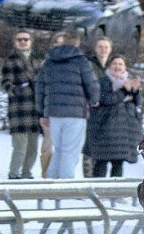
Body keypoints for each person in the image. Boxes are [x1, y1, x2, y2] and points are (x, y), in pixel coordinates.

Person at [36, 30, 99, 179]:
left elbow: (40, 87)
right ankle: (65, 188)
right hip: (75, 112)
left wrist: (42, 113)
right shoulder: (81, 60)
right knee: (70, 152)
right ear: (77, 42)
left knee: (59, 150)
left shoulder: (50, 61)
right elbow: (92, 84)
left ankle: (50, 182)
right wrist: (94, 100)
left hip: (53, 113)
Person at [85, 54, 143, 177]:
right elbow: (105, 99)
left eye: (120, 64)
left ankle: (114, 194)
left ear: (125, 67)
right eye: (114, 64)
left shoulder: (129, 82)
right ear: (109, 66)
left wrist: (135, 91)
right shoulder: (103, 81)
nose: (117, 66)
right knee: (101, 162)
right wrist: (124, 92)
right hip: (105, 128)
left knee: (118, 163)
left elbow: (138, 103)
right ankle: (98, 191)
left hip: (123, 130)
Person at [1, 30, 42, 179]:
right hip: (19, 109)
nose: (23, 42)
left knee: (33, 148)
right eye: (19, 39)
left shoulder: (37, 60)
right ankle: (13, 174)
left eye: (26, 39)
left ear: (31, 41)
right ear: (15, 42)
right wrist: (19, 89)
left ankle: (27, 174)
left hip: (35, 109)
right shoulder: (10, 60)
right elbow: (6, 83)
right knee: (20, 147)